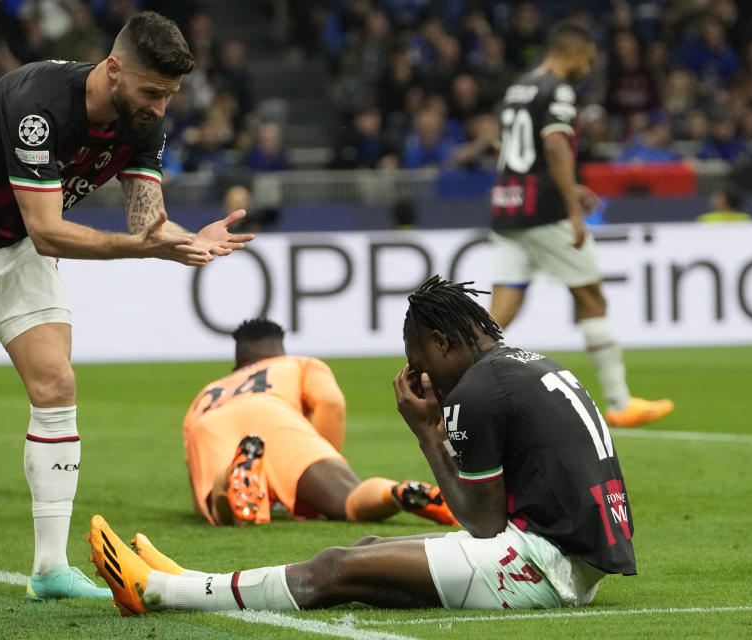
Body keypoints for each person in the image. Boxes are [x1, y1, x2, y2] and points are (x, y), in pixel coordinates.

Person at [0, 12, 254, 601]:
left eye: (170, 95)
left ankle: (49, 571)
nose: (161, 108)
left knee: (56, 384)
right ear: (114, 70)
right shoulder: (37, 104)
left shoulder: (145, 118)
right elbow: (50, 231)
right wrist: (142, 252)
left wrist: (181, 239)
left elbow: (146, 220)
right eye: (152, 92)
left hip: (16, 250)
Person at [88, 277, 636, 615]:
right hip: (571, 555)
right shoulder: (529, 362)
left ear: (443, 342)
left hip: (541, 566)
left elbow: (481, 525)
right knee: (371, 549)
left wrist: (427, 435)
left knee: (334, 565)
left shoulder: (477, 390)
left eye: (421, 365)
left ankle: (164, 592)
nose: (424, 381)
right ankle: (185, 579)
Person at [488, 22, 673, 428]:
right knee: (591, 296)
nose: (587, 69)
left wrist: (567, 184)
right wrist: (572, 207)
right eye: (587, 60)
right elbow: (554, 143)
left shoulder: (519, 88)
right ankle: (620, 402)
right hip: (544, 211)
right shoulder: (558, 89)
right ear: (572, 52)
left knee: (498, 315)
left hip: (507, 204)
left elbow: (510, 148)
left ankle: (449, 387)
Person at [183, 318, 457, 527]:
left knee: (220, 504)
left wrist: (205, 501)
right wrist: (328, 461)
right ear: (280, 349)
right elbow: (330, 401)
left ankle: (233, 473)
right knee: (349, 500)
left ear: (239, 359)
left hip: (208, 425)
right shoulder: (298, 364)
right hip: (273, 412)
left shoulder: (206, 392)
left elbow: (196, 488)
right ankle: (397, 492)